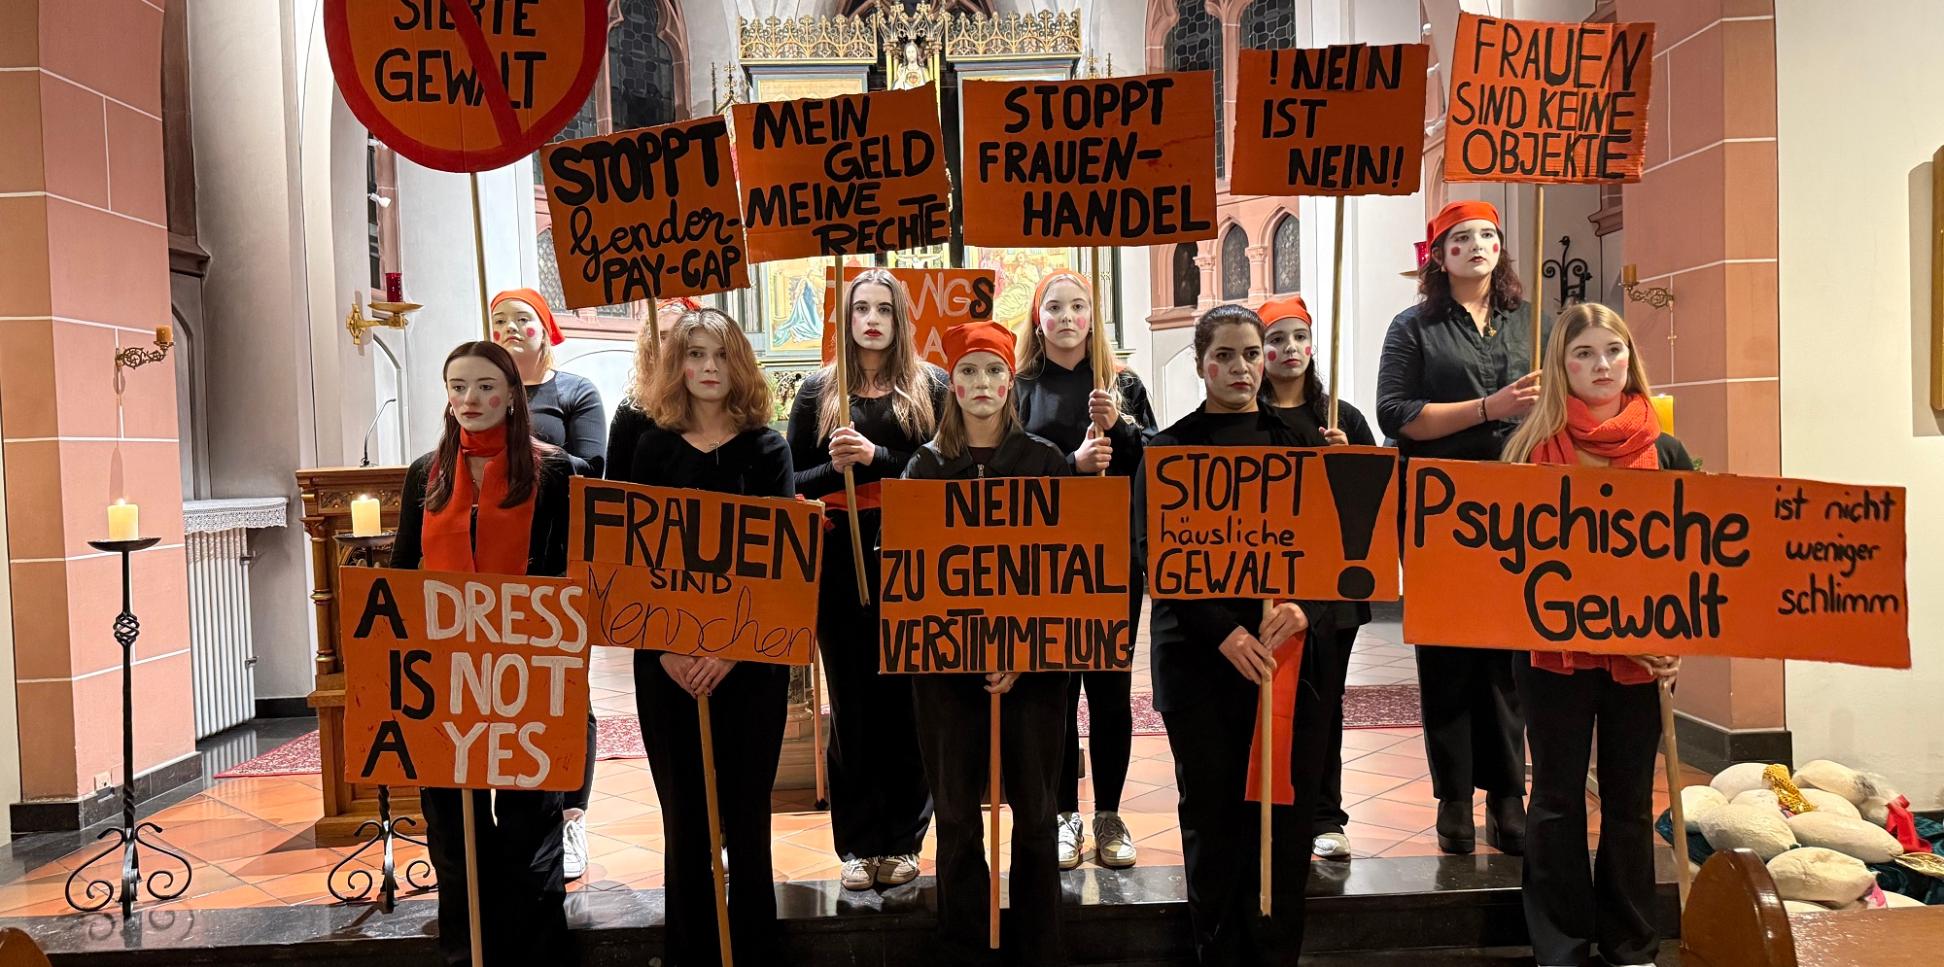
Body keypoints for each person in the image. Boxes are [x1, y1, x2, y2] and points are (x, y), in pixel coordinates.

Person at [1138, 304, 1339, 965]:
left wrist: (1306, 605)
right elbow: (1154, 556)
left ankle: (1275, 954)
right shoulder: (1166, 451)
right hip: (1199, 659)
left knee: (1285, 822)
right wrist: (1223, 631)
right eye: (1224, 355)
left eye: (1251, 353)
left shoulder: (1306, 445)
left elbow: (1336, 549)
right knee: (1212, 816)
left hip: (1285, 657)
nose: (1241, 367)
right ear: (1201, 366)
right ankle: (1218, 952)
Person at [606, 307, 794, 967]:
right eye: (695, 355)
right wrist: (666, 647)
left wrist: (731, 650)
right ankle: (691, 953)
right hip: (666, 662)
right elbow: (629, 559)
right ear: (676, 366)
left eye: (720, 354)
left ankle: (754, 952)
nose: (708, 367)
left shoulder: (769, 449)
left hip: (751, 661)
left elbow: (782, 566)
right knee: (685, 819)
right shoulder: (652, 449)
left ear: (738, 363)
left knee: (747, 815)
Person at [1501, 303, 1686, 967]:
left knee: (1630, 799)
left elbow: (1690, 558)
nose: (1602, 365)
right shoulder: (1528, 449)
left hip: (1642, 657)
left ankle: (1631, 942)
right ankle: (1560, 943)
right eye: (1584, 352)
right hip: (1553, 654)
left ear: (1630, 357)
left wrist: (1676, 638)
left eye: (1613, 350)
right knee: (1555, 798)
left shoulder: (1666, 451)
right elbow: (1506, 558)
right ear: (1561, 364)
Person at [392, 341, 577, 967]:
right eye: (458, 387)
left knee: (530, 826)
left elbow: (569, 570)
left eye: (485, 386)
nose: (470, 399)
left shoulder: (557, 471)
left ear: (512, 396)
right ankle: (468, 952)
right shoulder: (427, 473)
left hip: (527, 666)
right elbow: (404, 570)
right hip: (445, 673)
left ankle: (536, 956)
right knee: (453, 828)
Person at [1375, 199, 1542, 856]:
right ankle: (1453, 797)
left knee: (1507, 656)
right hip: (1439, 511)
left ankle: (1507, 795)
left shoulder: (1530, 321)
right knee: (1446, 654)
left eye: (1488, 236)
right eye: (1461, 238)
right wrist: (1488, 408)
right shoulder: (1413, 326)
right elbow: (1395, 413)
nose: (1477, 245)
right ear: (1438, 256)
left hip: (1514, 510)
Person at [905, 320, 1072, 967]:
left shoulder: (1046, 463)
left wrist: (1020, 648)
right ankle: (963, 946)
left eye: (994, 370)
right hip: (948, 672)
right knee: (954, 815)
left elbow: (1066, 570)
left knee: (1036, 814)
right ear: (953, 384)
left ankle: (1039, 950)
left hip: (1034, 668)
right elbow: (915, 579)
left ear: (1010, 381)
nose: (982, 383)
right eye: (969, 371)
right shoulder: (925, 468)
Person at [786, 268, 947, 890]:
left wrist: (877, 458)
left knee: (908, 702)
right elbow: (789, 484)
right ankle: (857, 843)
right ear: (845, 318)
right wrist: (836, 468)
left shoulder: (930, 386)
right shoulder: (817, 391)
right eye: (860, 309)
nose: (871, 320)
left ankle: (904, 839)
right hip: (837, 561)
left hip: (911, 560)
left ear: (899, 318)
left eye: (883, 308)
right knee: (852, 706)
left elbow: (944, 471)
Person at [1012, 270, 1156, 870]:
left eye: (1078, 306)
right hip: (1046, 557)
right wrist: (1069, 464)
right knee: (1056, 691)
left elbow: (1155, 457)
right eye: (1055, 307)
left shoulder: (1122, 383)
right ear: (1038, 318)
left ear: (1093, 316)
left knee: (1109, 690)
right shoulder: (1020, 386)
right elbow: (1010, 462)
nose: (1067, 317)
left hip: (1112, 555)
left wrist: (1119, 425)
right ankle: (1065, 813)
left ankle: (1110, 813)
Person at [489, 287, 606, 880]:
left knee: (568, 689)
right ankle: (519, 821)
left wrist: (528, 449)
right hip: (495, 566)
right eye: (499, 320)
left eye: (522, 318)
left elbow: (594, 471)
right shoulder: (487, 393)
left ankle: (571, 816)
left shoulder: (575, 391)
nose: (510, 328)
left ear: (546, 328)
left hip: (558, 560)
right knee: (504, 693)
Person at [1255, 294, 1376, 863]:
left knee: (1324, 703)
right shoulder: (1248, 418)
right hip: (1266, 584)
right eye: (1276, 340)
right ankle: (1269, 808)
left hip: (1330, 593)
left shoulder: (1342, 419)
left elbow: (1373, 506)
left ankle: (1326, 814)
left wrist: (1350, 461)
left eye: (1299, 338)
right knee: (1264, 703)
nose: (1290, 349)